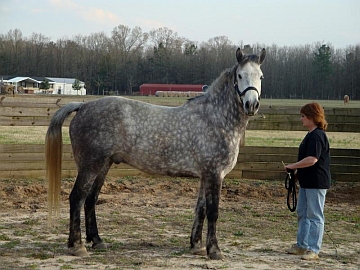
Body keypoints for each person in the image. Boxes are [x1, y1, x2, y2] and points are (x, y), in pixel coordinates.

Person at [284, 102, 331, 260]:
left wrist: (293, 166)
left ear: (312, 117)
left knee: (315, 215)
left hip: (316, 182)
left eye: (303, 116)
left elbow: (312, 159)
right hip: (307, 182)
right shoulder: (311, 134)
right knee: (303, 213)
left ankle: (313, 249)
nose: (301, 119)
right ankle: (302, 245)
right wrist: (297, 173)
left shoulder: (317, 136)